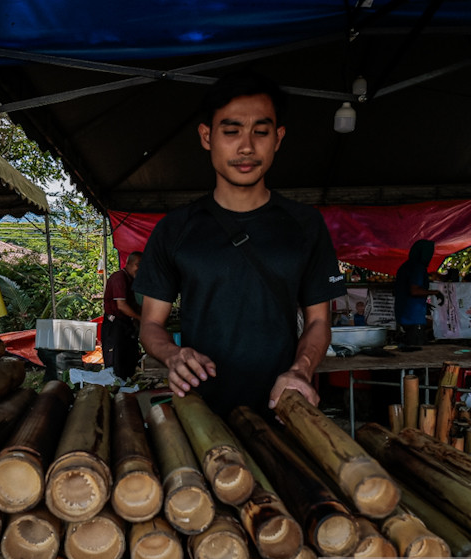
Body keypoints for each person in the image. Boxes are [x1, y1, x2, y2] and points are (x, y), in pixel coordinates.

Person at [135, 71, 345, 416]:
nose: (246, 146)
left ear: (278, 138)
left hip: (284, 410)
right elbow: (151, 326)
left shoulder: (306, 225)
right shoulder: (175, 230)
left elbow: (319, 322)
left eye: (260, 132)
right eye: (231, 131)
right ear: (207, 137)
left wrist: (300, 370)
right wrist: (173, 355)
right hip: (199, 415)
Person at [393, 239, 443, 347]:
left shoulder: (405, 266)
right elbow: (414, 290)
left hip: (403, 313)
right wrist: (435, 292)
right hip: (413, 316)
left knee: (409, 345)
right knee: (416, 348)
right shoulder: (418, 268)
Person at [101, 251, 142, 379]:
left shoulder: (132, 280)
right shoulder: (119, 278)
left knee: (129, 360)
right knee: (116, 363)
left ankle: (127, 386)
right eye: (138, 265)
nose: (140, 269)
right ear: (128, 264)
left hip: (126, 324)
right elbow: (122, 305)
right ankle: (117, 389)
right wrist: (142, 319)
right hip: (115, 325)